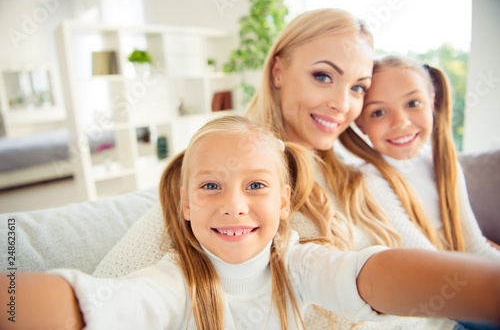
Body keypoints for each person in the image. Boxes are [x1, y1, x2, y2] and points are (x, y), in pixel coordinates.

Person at [2, 115, 499, 330]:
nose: (233, 206)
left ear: (285, 203)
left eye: (256, 186)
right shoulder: (175, 281)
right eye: (211, 186)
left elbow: (370, 276)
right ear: (185, 205)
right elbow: (90, 303)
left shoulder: (300, 265)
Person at [352, 55, 500, 260]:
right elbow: (434, 266)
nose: (400, 123)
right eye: (379, 112)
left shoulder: (442, 162)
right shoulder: (370, 181)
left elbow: (475, 245)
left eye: (413, 103)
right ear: (361, 125)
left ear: (431, 103)